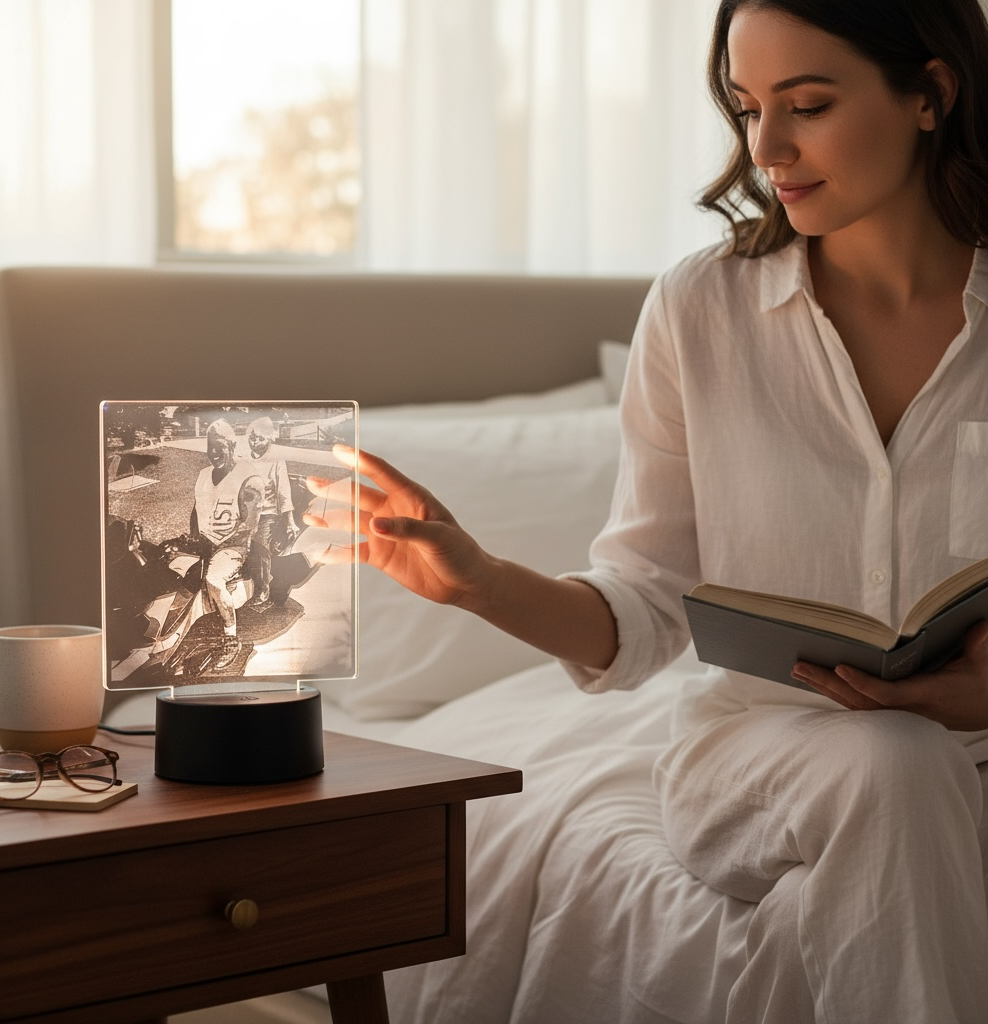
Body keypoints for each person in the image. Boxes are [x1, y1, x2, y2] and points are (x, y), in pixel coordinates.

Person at [306, 1, 988, 1020]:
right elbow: (645, 604)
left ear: (929, 94)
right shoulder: (701, 310)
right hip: (754, 755)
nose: (767, 148)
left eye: (806, 104)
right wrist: (483, 584)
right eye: (747, 106)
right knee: (894, 764)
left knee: (912, 770)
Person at [190, 418, 265, 670]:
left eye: (220, 447)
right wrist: (193, 540)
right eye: (210, 447)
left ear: (232, 446)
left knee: (213, 579)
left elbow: (249, 526)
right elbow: (196, 510)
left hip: (234, 546)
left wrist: (217, 547)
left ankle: (232, 638)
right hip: (207, 542)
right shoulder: (202, 476)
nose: (214, 453)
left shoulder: (249, 477)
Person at [245, 415, 300, 609]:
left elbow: (284, 493)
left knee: (259, 546)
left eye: (259, 438)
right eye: (252, 438)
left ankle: (262, 590)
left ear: (269, 439)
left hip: (268, 513)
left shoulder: (277, 460)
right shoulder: (243, 460)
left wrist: (290, 521)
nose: (255, 442)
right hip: (246, 512)